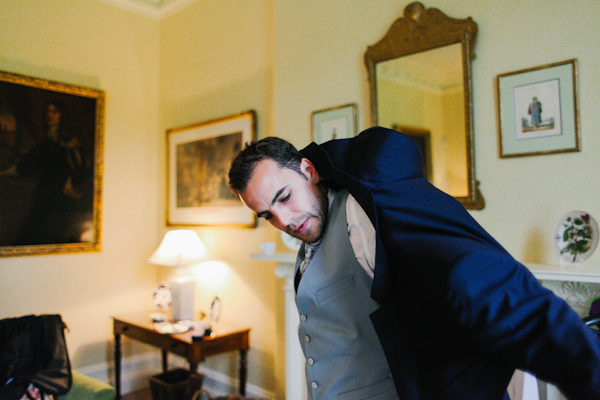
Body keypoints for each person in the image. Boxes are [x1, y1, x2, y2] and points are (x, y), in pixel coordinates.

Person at [228, 127, 600, 400]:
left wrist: (584, 365)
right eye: (267, 214)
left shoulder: (360, 218)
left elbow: (468, 277)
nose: (284, 220)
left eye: (285, 197)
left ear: (309, 170)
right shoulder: (307, 238)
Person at [0, 100, 93, 245]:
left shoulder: (69, 144)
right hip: (45, 197)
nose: (49, 115)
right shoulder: (47, 143)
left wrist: (70, 184)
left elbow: (81, 169)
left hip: (60, 201)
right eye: (48, 111)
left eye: (54, 112)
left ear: (62, 116)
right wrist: (7, 172)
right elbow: (27, 165)